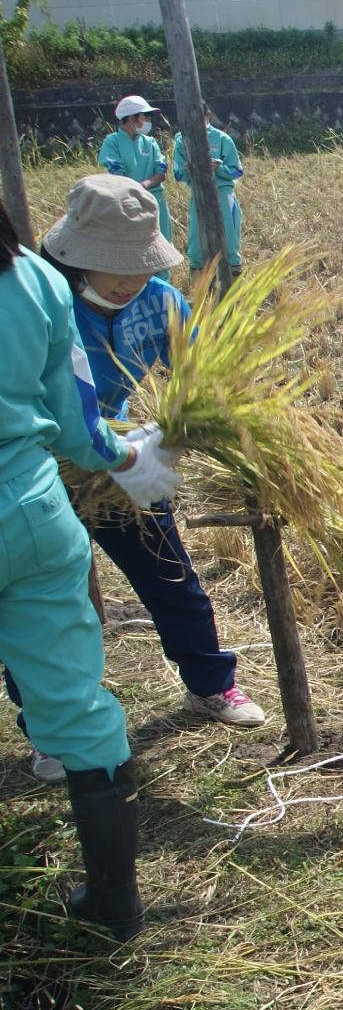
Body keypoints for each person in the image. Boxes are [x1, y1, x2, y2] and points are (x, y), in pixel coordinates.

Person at [10, 174, 269, 771]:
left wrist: (172, 436)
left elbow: (199, 373)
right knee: (45, 607)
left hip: (128, 468)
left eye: (140, 264)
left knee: (171, 577)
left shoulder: (159, 301)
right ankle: (49, 728)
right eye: (116, 266)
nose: (132, 278)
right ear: (77, 257)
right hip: (49, 474)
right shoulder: (48, 301)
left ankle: (209, 683)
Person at [0, 198, 181, 940]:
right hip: (34, 515)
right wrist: (123, 456)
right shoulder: (33, 282)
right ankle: (116, 901)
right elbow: (77, 421)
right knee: (78, 708)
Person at [97, 95, 172, 280]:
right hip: (127, 203)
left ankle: (164, 294)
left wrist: (144, 185)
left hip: (155, 201)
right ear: (131, 118)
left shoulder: (150, 142)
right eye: (145, 116)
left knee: (161, 249)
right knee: (134, 251)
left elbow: (161, 172)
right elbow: (116, 172)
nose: (148, 120)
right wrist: (135, 190)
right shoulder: (112, 142)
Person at [171, 107, 245, 274]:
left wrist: (218, 167)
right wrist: (188, 169)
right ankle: (200, 290)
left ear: (208, 114)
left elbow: (237, 171)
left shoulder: (222, 139)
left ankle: (234, 287)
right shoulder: (182, 141)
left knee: (230, 242)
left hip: (223, 194)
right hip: (199, 195)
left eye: (199, 115)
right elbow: (177, 174)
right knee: (196, 245)